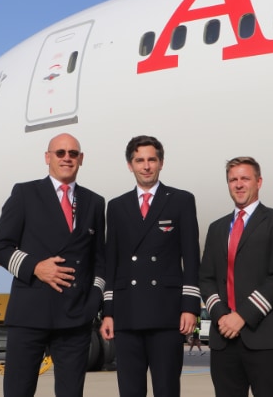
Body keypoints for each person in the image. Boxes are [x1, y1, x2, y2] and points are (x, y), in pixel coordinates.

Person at [0, 133, 106, 397]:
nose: (67, 158)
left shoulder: (94, 202)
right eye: (60, 153)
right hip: (30, 314)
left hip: (75, 316)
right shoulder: (25, 193)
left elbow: (100, 260)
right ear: (47, 157)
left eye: (73, 154)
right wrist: (35, 267)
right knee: (19, 391)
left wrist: (93, 302)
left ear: (81, 159)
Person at [100, 135, 201, 397]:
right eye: (139, 160)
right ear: (130, 165)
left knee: (166, 389)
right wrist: (108, 312)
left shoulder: (180, 200)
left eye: (151, 160)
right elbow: (112, 262)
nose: (146, 166)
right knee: (130, 390)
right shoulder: (117, 206)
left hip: (166, 313)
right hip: (127, 313)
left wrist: (190, 307)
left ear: (161, 163)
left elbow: (191, 257)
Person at [199, 156, 273, 397]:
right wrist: (223, 316)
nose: (239, 184)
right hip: (224, 339)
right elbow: (206, 278)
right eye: (233, 179)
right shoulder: (217, 228)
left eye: (245, 178)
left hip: (265, 337)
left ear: (259, 182)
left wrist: (242, 316)